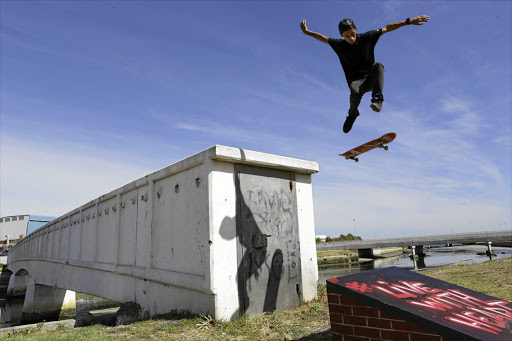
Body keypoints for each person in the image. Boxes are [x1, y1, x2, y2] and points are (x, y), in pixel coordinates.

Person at [300, 15, 430, 133]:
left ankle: (377, 100)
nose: (350, 38)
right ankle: (352, 114)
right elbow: (322, 38)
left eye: (352, 34)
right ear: (341, 36)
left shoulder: (367, 37)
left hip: (371, 78)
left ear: (355, 29)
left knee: (378, 65)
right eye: (346, 36)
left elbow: (387, 28)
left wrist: (408, 21)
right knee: (355, 91)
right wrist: (307, 32)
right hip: (356, 82)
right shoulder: (338, 44)